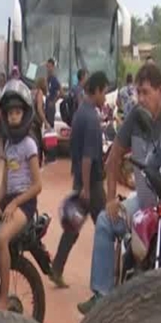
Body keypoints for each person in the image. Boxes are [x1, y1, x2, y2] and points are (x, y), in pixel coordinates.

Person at [77, 63, 161, 315]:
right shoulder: (133, 116)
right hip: (142, 203)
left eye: (145, 92)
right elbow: (113, 158)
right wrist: (110, 199)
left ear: (160, 90)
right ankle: (102, 294)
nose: (140, 98)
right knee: (104, 222)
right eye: (138, 93)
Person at [50, 71, 110, 287]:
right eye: (104, 92)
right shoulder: (92, 117)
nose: (105, 97)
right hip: (91, 184)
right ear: (97, 90)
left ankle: (56, 267)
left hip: (82, 180)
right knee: (107, 228)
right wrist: (86, 187)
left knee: (74, 226)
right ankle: (110, 277)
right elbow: (87, 157)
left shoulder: (80, 113)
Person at [0, 81, 42, 311]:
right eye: (10, 113)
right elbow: (4, 184)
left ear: (25, 114)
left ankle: (3, 298)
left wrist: (13, 204)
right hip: (10, 199)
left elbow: (37, 185)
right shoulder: (9, 146)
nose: (13, 117)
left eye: (17, 112)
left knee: (1, 238)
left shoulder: (29, 144)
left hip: (25, 203)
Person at [44, 58, 62, 127]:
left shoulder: (54, 79)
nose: (48, 69)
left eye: (50, 67)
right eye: (47, 67)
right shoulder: (47, 78)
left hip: (51, 108)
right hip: (46, 105)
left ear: (53, 67)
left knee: (50, 126)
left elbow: (61, 93)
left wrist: (53, 102)